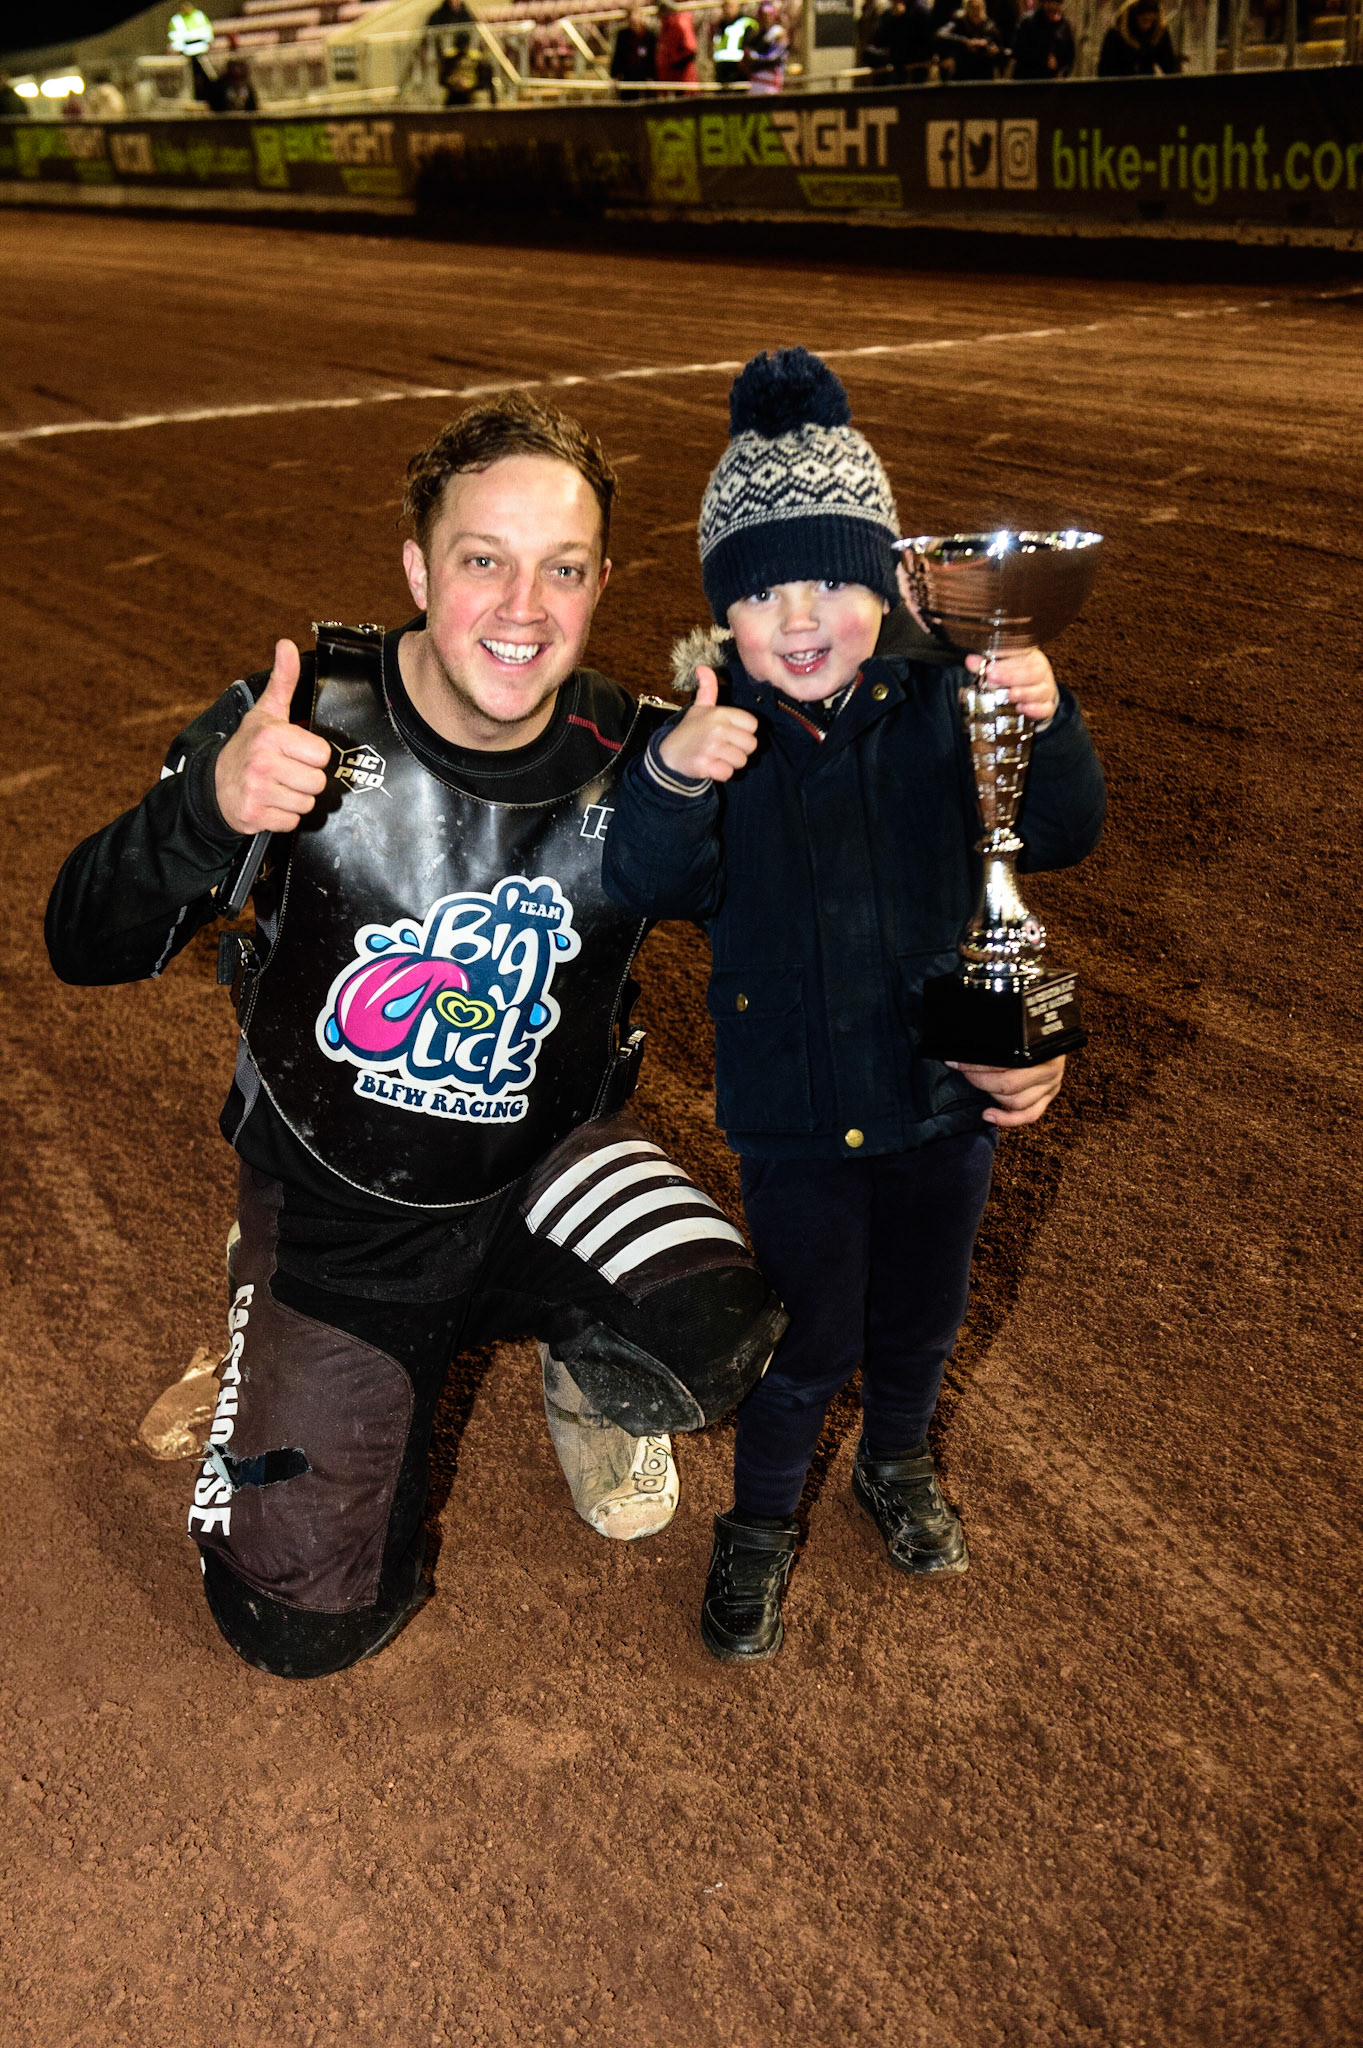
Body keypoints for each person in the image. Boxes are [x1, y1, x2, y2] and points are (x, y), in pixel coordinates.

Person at [45, 395, 785, 1680]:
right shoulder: (300, 723)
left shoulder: (647, 756)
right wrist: (212, 815)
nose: (521, 605)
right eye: (481, 558)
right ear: (416, 569)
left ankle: (579, 1358)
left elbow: (802, 945)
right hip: (344, 1195)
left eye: (562, 568)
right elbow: (79, 938)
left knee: (712, 1325)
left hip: (543, 1162)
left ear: (603, 582)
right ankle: (265, 1295)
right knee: (295, 1625)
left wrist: (975, 1033)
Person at [601, 349, 1106, 1662]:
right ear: (725, 614)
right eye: (764, 590)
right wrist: (668, 777)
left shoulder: (944, 704)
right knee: (805, 1342)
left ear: (889, 585)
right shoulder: (710, 737)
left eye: (830, 577)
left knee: (920, 1322)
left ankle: (894, 1463)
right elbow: (645, 881)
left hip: (938, 1104)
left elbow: (1055, 828)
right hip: (789, 1127)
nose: (800, 615)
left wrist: (1041, 717)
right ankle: (756, 1529)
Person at [863, 0, 939, 83]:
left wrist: (901, 18)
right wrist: (894, 17)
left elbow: (924, 39)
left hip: (915, 64)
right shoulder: (889, 12)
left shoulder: (920, 9)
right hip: (896, 62)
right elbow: (879, 39)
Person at [1097, 0, 1179, 73]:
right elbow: (1104, 70)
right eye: (1144, 20)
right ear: (1134, 18)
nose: (1148, 26)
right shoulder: (1116, 34)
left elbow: (1169, 66)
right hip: (1119, 83)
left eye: (1151, 21)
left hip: (1146, 83)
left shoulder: (1158, 32)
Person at [937, 0, 1005, 76]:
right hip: (963, 71)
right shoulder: (959, 23)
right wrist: (966, 42)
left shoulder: (991, 27)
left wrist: (995, 51)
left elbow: (1002, 51)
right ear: (967, 9)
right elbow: (940, 34)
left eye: (978, 8)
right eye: (973, 8)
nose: (976, 12)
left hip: (984, 72)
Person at [1008, 0, 1075, 74]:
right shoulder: (1028, 22)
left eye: (1056, 3)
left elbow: (1069, 54)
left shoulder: (1063, 25)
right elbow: (1017, 50)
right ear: (1042, 3)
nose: (1052, 6)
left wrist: (1059, 65)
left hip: (1051, 79)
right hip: (1027, 77)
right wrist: (1043, 59)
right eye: (1049, 2)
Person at [611, 6, 658, 94]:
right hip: (628, 76)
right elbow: (618, 56)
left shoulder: (650, 35)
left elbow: (653, 57)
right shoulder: (623, 35)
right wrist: (614, 76)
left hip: (645, 76)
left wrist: (652, 76)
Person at [743, 0, 789, 92]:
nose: (766, 18)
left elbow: (775, 57)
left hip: (771, 76)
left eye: (768, 15)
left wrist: (755, 56)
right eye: (763, 15)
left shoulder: (777, 32)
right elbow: (747, 54)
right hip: (756, 76)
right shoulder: (756, 35)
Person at [711, 0, 757, 82]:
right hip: (722, 72)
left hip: (739, 71)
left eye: (730, 6)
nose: (727, 10)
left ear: (738, 6)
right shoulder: (720, 26)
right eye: (725, 7)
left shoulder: (746, 23)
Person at [656, 0, 700, 84]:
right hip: (670, 76)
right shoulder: (665, 27)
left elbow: (690, 49)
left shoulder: (681, 24)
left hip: (684, 77)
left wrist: (674, 61)